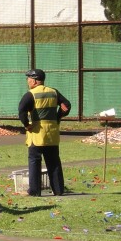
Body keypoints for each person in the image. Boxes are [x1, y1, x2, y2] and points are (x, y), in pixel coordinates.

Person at [17, 68, 71, 196]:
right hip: (52, 134)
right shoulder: (54, 92)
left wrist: (26, 125)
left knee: (35, 160)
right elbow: (66, 106)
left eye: (29, 79)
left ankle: (35, 191)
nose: (27, 81)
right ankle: (58, 190)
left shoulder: (30, 94)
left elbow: (22, 111)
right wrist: (58, 117)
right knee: (53, 161)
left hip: (36, 133)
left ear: (35, 81)